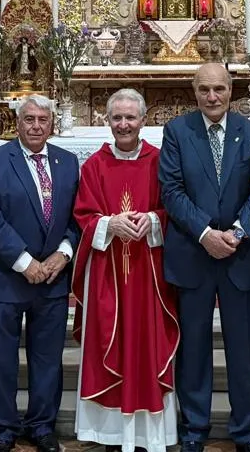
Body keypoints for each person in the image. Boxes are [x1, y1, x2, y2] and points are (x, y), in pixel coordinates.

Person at [158, 62, 250, 452]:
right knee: (194, 348)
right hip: (194, 253)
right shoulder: (176, 131)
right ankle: (194, 428)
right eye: (204, 89)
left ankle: (246, 431)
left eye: (219, 89)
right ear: (194, 91)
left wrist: (236, 233)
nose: (212, 97)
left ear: (231, 89)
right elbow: (171, 190)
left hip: (239, 257)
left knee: (243, 348)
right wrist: (206, 233)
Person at [71, 89, 179, 452]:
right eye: (116, 118)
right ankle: (110, 434)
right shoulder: (94, 166)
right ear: (107, 121)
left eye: (130, 117)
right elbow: (83, 216)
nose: (123, 124)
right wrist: (108, 225)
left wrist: (151, 220)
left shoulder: (160, 162)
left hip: (149, 277)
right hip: (107, 276)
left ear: (144, 121)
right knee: (109, 346)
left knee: (148, 346)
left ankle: (150, 435)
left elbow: (172, 209)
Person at [0, 94, 80, 452]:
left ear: (52, 124)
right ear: (16, 123)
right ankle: (3, 430)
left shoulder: (68, 163)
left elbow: (77, 219)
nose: (36, 126)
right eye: (29, 119)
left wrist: (63, 255)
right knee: (1, 359)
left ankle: (41, 426)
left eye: (42, 120)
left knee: (47, 358)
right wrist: (25, 262)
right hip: (4, 276)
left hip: (52, 278)